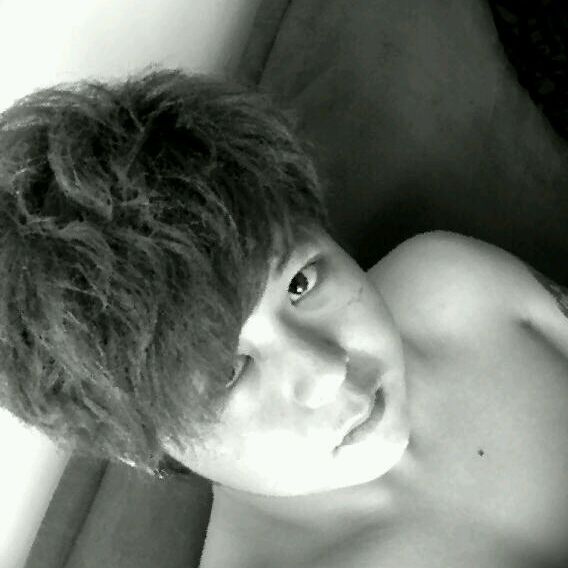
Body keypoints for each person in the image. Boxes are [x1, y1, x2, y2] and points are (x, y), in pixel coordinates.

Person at [1, 66, 567, 568]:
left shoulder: (455, 289)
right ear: (147, 450)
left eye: (301, 283)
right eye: (227, 372)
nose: (328, 370)